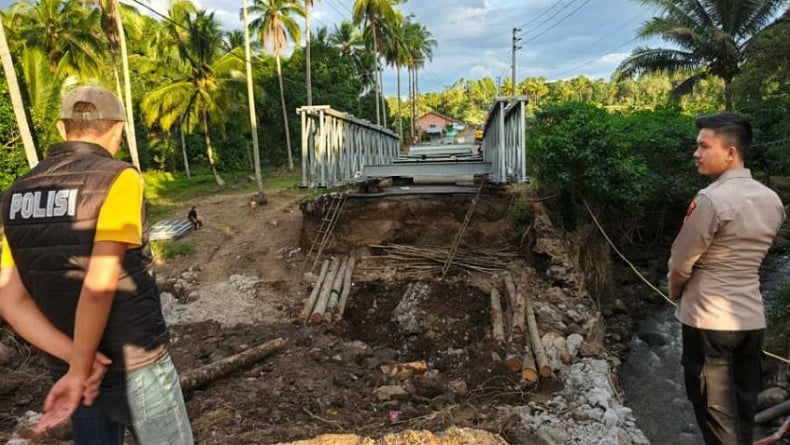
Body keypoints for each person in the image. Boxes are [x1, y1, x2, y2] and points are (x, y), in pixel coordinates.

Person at [0, 86, 193, 444]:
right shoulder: (118, 178)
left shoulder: (13, 195)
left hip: (73, 372)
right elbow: (99, 285)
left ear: (61, 128)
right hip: (135, 363)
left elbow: (9, 299)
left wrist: (76, 362)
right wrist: (82, 364)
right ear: (118, 129)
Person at [667, 112, 786, 445]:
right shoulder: (773, 200)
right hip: (750, 321)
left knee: (716, 418)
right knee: (742, 411)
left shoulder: (710, 200)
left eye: (704, 146)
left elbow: (680, 263)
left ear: (730, 153)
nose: (696, 153)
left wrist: (676, 293)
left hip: (708, 322)